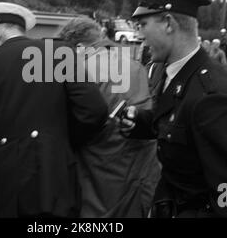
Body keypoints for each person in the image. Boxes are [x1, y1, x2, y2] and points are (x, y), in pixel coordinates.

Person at [119, 0, 227, 218]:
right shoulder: (179, 74)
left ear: (168, 23)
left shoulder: (213, 97)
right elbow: (181, 128)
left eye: (143, 24)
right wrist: (141, 122)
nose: (140, 34)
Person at [0, 2, 108, 218]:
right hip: (53, 177)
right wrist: (60, 140)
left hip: (3, 186)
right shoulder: (58, 52)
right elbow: (94, 110)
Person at [58, 18, 160, 218]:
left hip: (97, 175)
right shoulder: (134, 65)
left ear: (79, 47)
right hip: (139, 172)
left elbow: (71, 124)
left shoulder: (82, 70)